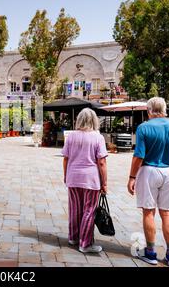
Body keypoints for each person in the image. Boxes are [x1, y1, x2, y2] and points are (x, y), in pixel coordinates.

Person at [128, 97, 169, 267]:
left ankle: (151, 252)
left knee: (148, 212)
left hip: (148, 170)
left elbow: (139, 156)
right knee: (167, 213)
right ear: (165, 110)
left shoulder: (144, 128)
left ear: (148, 111)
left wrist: (132, 177)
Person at [62, 108, 108, 254]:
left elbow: (66, 158)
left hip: (73, 177)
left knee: (75, 209)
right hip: (91, 179)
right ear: (94, 120)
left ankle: (74, 237)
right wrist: (105, 183)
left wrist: (66, 175)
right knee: (89, 210)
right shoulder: (97, 137)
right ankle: (85, 243)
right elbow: (101, 162)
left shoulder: (71, 136)